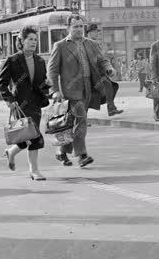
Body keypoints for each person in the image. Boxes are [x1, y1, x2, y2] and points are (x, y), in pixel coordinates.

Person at [47, 14, 115, 168]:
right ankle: (82, 155)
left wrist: (109, 68)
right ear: (68, 28)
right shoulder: (61, 46)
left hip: (89, 88)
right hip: (71, 91)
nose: (78, 29)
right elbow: (52, 71)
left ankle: (61, 151)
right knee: (81, 119)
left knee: (71, 123)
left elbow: (101, 60)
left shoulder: (91, 44)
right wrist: (55, 90)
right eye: (75, 26)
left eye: (80, 26)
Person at [0, 26, 50, 180]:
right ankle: (34, 170)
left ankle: (11, 152)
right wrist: (10, 100)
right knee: (33, 136)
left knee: (30, 135)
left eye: (35, 39)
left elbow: (40, 84)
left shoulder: (40, 61)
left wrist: (48, 84)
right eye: (30, 39)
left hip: (36, 103)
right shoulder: (12, 60)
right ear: (21, 41)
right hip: (19, 104)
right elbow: (1, 83)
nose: (33, 42)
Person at [86, 24, 123, 116]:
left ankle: (111, 108)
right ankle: (110, 108)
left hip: (98, 73)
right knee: (86, 96)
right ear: (90, 32)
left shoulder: (96, 44)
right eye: (96, 31)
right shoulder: (85, 43)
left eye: (98, 31)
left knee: (112, 86)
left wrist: (108, 68)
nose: (98, 33)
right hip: (88, 74)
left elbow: (102, 59)